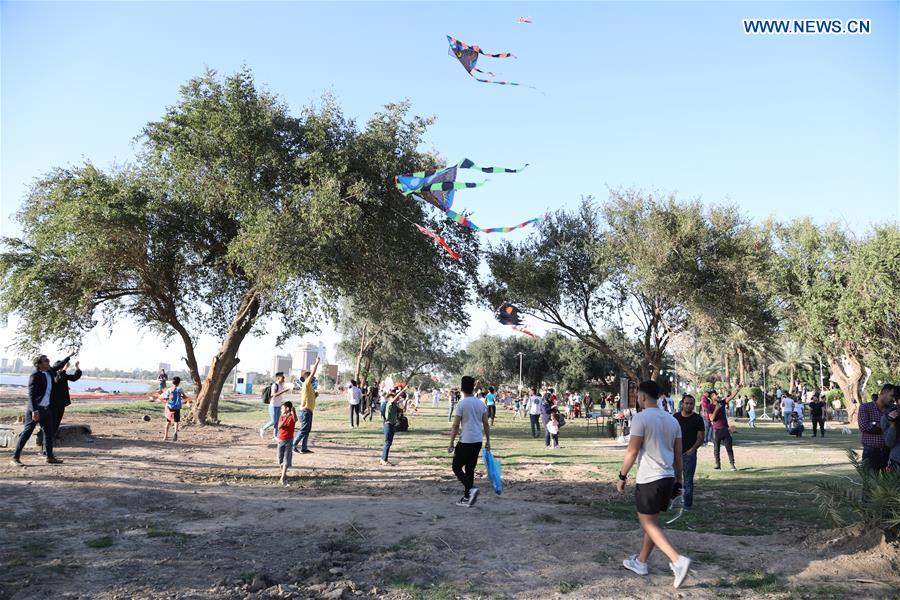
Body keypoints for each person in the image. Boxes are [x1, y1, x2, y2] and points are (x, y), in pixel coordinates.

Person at [616, 380, 692, 589]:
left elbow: (632, 451)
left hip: (650, 478)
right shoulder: (672, 421)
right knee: (653, 523)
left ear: (642, 397)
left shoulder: (641, 419)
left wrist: (622, 476)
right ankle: (641, 562)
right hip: (668, 477)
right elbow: (678, 455)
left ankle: (677, 560)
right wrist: (678, 481)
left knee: (647, 523)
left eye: (638, 397)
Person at [11, 354, 70, 467]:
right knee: (26, 433)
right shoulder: (35, 376)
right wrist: (34, 411)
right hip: (35, 410)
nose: (48, 362)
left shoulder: (49, 372)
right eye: (46, 360)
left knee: (49, 433)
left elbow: (60, 366)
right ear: (39, 364)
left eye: (48, 360)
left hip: (47, 410)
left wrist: (69, 357)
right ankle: (15, 457)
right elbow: (31, 395)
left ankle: (49, 456)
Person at [448, 376, 491, 508]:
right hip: (477, 440)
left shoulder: (461, 403)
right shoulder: (481, 403)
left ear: (462, 388)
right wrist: (488, 441)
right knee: (470, 469)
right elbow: (486, 424)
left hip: (465, 440)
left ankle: (471, 488)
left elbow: (455, 425)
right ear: (473, 388)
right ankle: (468, 498)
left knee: (456, 467)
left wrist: (451, 442)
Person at [674, 395, 704, 511]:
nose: (688, 405)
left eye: (691, 404)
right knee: (674, 478)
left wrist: (692, 450)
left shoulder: (697, 419)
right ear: (682, 403)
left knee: (688, 480)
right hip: (675, 454)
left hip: (689, 455)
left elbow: (701, 438)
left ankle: (687, 505)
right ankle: (674, 501)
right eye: (686, 403)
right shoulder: (675, 417)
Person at [858, 384, 893, 472]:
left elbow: (896, 429)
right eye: (891, 396)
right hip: (871, 452)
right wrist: (887, 427)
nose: (893, 399)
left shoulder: (893, 409)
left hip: (889, 453)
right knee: (870, 482)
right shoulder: (865, 407)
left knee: (890, 484)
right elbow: (864, 427)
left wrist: (874, 425)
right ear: (882, 393)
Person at [294, 357, 321, 454]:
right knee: (303, 430)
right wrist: (317, 362)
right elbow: (313, 372)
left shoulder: (309, 387)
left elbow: (309, 398)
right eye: (312, 377)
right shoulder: (306, 383)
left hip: (309, 411)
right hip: (305, 411)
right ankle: (293, 445)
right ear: (308, 378)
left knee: (307, 430)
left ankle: (304, 448)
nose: (313, 379)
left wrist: (315, 396)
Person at [50, 359, 81, 441]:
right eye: (60, 367)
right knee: (52, 421)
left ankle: (53, 436)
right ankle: (49, 437)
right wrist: (65, 369)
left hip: (61, 402)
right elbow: (57, 379)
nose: (61, 369)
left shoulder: (64, 375)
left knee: (57, 421)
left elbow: (74, 378)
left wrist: (77, 368)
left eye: (62, 367)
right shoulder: (52, 375)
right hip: (52, 403)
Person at [709, 390, 738, 471]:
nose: (717, 395)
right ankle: (718, 465)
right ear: (711, 397)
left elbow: (731, 397)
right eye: (715, 395)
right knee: (716, 449)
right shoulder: (710, 406)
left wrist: (737, 389)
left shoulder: (722, 402)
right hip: (716, 431)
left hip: (725, 429)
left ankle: (732, 465)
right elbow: (711, 418)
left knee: (729, 448)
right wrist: (716, 409)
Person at [259, 372, 289, 440]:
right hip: (273, 406)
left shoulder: (281, 385)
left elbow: (281, 392)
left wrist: (286, 390)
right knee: (273, 421)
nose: (284, 378)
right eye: (282, 377)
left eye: (284, 377)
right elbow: (273, 395)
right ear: (278, 378)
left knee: (277, 422)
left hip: (279, 405)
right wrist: (284, 391)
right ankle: (263, 428)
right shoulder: (274, 385)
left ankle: (275, 436)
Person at [276, 401, 297, 486]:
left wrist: (294, 412)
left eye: (282, 408)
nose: (281, 409)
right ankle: (283, 474)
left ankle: (282, 477)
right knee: (280, 458)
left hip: (289, 440)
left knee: (286, 459)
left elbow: (295, 420)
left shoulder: (292, 416)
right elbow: (279, 426)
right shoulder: (282, 416)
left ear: (287, 409)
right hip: (281, 440)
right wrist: (286, 417)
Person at [162, 376, 187, 442]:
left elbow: (165, 398)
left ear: (172, 382)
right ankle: (175, 432)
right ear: (179, 383)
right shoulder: (180, 389)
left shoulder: (169, 389)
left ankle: (165, 436)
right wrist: (182, 397)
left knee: (168, 421)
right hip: (177, 407)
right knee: (176, 421)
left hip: (170, 407)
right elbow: (184, 396)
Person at [881, 389, 899, 472]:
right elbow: (889, 443)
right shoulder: (887, 417)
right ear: (897, 401)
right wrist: (892, 425)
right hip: (897, 461)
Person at [381, 390, 401, 466]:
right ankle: (384, 459)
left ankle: (383, 458)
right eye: (392, 397)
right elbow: (396, 397)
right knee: (387, 443)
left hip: (392, 425)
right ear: (389, 399)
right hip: (388, 425)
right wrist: (404, 389)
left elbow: (402, 410)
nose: (395, 398)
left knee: (389, 443)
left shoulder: (395, 406)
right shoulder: (389, 404)